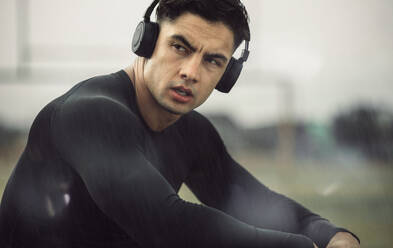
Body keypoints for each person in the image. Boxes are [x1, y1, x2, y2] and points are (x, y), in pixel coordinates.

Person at [0, 0, 360, 247]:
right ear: (148, 41)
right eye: (181, 47)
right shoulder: (87, 114)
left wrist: (332, 234)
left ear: (226, 75)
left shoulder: (193, 132)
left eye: (213, 61)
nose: (191, 72)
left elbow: (253, 203)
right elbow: (164, 224)